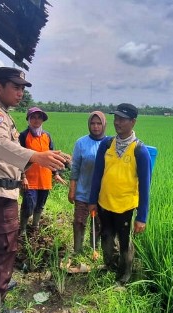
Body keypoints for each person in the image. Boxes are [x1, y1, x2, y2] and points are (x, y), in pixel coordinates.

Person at [0, 67, 68, 313]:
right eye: (15, 87)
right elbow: (1, 145)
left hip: (2, 191)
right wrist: (36, 156)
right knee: (2, 246)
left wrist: (45, 157)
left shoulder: (2, 113)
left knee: (7, 244)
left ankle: (0, 285)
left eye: (22, 88)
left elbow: (10, 150)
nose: (20, 93)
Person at [88, 103, 152, 285]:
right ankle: (109, 265)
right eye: (116, 118)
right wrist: (93, 200)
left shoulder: (140, 151)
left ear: (133, 122)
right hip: (104, 203)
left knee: (125, 243)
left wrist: (142, 217)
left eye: (122, 119)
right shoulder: (107, 144)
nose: (117, 122)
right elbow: (97, 174)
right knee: (107, 237)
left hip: (125, 206)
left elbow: (145, 187)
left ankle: (124, 277)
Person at [18, 106, 66, 235]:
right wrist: (23, 176)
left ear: (43, 120)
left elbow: (53, 156)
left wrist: (56, 173)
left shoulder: (47, 136)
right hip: (30, 179)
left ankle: (35, 226)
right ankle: (22, 228)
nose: (36, 120)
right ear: (28, 119)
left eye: (39, 117)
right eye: (33, 117)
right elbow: (18, 158)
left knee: (40, 205)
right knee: (29, 206)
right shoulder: (23, 136)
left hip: (45, 178)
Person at [68, 111, 108, 253]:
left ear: (104, 125)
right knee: (79, 222)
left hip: (102, 194)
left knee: (97, 223)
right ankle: (77, 250)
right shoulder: (81, 143)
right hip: (83, 192)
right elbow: (75, 167)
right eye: (92, 123)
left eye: (99, 123)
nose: (95, 126)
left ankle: (94, 250)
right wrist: (72, 189)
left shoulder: (110, 143)